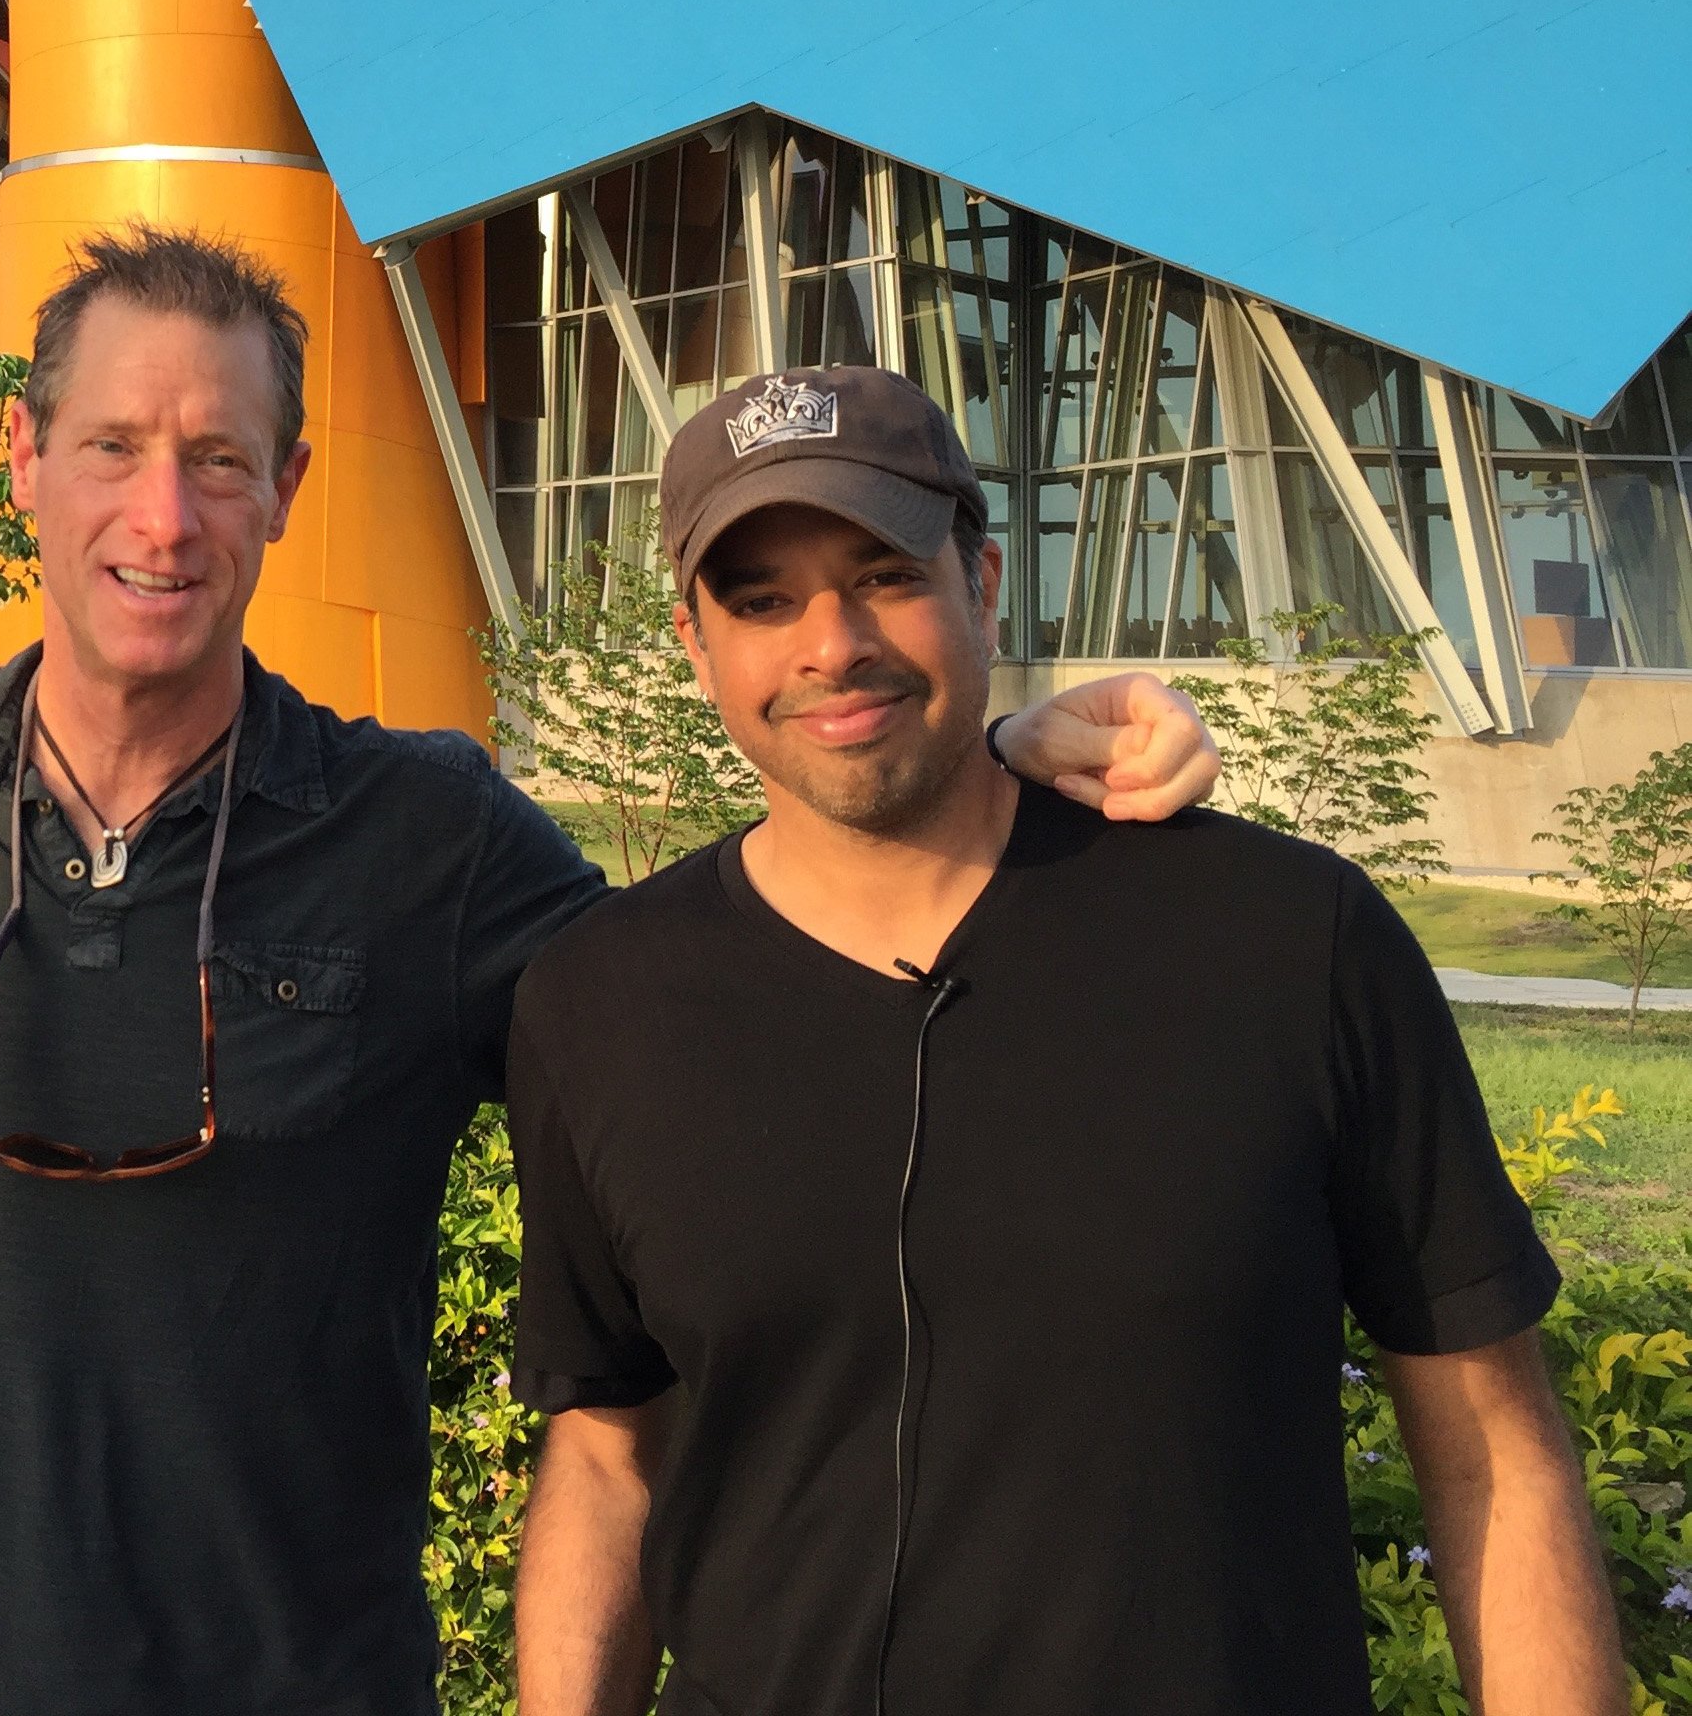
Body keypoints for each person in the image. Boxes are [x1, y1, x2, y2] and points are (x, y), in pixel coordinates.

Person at [0, 227, 1220, 1715]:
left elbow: (730, 993)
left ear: (288, 489)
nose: (164, 517)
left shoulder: (427, 838)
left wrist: (970, 764)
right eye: (113, 446)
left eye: (221, 461)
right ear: (22, 454)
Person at [506, 365, 1627, 1716]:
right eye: (761, 601)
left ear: (982, 585)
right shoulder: (599, 1003)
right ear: (695, 643)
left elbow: (1493, 1447)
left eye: (884, 576)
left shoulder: (1283, 940)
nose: (830, 645)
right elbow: (607, 1457)